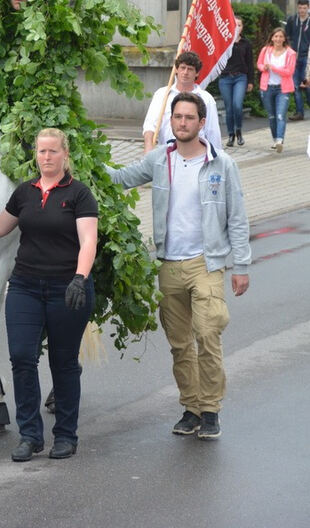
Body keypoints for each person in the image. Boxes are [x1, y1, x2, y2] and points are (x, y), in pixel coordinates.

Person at [106, 92, 251, 440]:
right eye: (177, 117)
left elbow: (238, 217)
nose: (182, 123)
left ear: (202, 123)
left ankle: (211, 410)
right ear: (171, 122)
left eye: (189, 117)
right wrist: (76, 158)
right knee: (180, 343)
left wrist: (241, 264)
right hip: (168, 263)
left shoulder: (221, 164)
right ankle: (191, 407)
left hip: (207, 263)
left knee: (207, 335)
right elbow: (122, 177)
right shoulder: (160, 159)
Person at [0, 128, 98, 461]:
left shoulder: (78, 194)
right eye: (41, 152)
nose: (46, 158)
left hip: (67, 288)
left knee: (63, 363)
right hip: (25, 287)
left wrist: (80, 276)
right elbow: (0, 226)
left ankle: (65, 435)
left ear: (65, 154)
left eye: (52, 152)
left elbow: (88, 240)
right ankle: (30, 435)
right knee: (21, 357)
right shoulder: (25, 193)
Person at [142, 51, 222, 152]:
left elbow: (212, 132)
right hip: (167, 154)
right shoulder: (162, 94)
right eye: (182, 68)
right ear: (176, 70)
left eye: (190, 69)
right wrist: (148, 147)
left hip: (196, 156)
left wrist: (216, 158)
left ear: (196, 73)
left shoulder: (206, 99)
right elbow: (150, 125)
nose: (185, 72)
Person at [257, 27, 297, 153]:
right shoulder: (266, 50)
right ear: (272, 38)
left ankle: (280, 140)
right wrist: (264, 67)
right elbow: (259, 64)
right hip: (267, 87)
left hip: (282, 89)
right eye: (276, 36)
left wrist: (273, 68)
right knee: (272, 116)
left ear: (285, 39)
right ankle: (275, 139)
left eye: (281, 36)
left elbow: (289, 71)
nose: (278, 39)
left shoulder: (290, 53)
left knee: (280, 115)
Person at [218, 16, 254, 147]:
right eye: (235, 25)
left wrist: (251, 81)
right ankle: (230, 135)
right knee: (229, 108)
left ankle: (238, 130)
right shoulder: (224, 42)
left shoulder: (246, 43)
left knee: (237, 105)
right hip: (226, 78)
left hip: (240, 77)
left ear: (242, 27)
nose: (237, 28)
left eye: (239, 25)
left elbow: (250, 63)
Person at [285, 0, 310, 121]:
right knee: (295, 86)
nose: (302, 10)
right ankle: (299, 112)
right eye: (300, 8)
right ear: (297, 7)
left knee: (307, 85)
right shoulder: (292, 20)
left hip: (306, 58)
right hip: (294, 57)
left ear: (308, 8)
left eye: (304, 8)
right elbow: (287, 36)